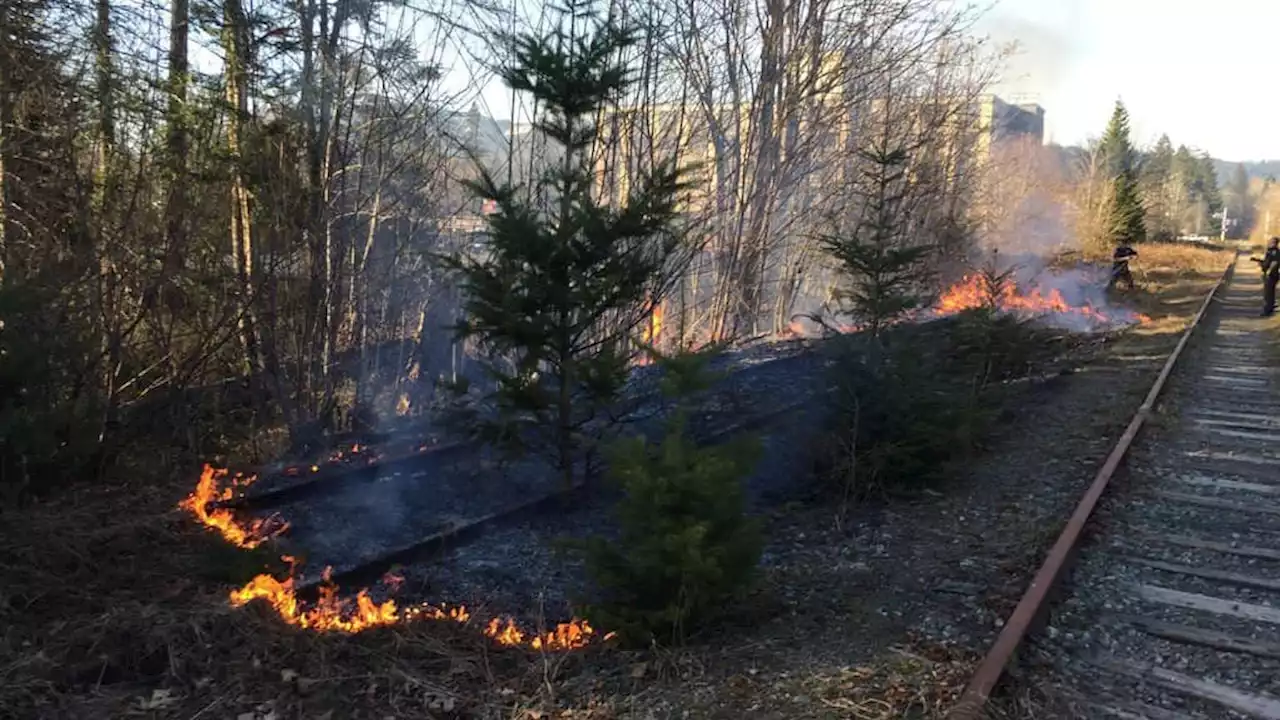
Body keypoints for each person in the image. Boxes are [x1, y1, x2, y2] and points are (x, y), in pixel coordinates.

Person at [1252, 236, 1280, 316]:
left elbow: (1273, 263)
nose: (1269, 243)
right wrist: (1259, 261)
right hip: (1271, 274)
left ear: (1274, 243)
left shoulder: (1274, 252)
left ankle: (1267, 310)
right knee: (1269, 293)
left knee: (1268, 294)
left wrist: (1267, 270)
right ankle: (1269, 308)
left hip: (1271, 275)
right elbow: (1267, 262)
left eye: (1271, 242)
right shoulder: (1272, 251)